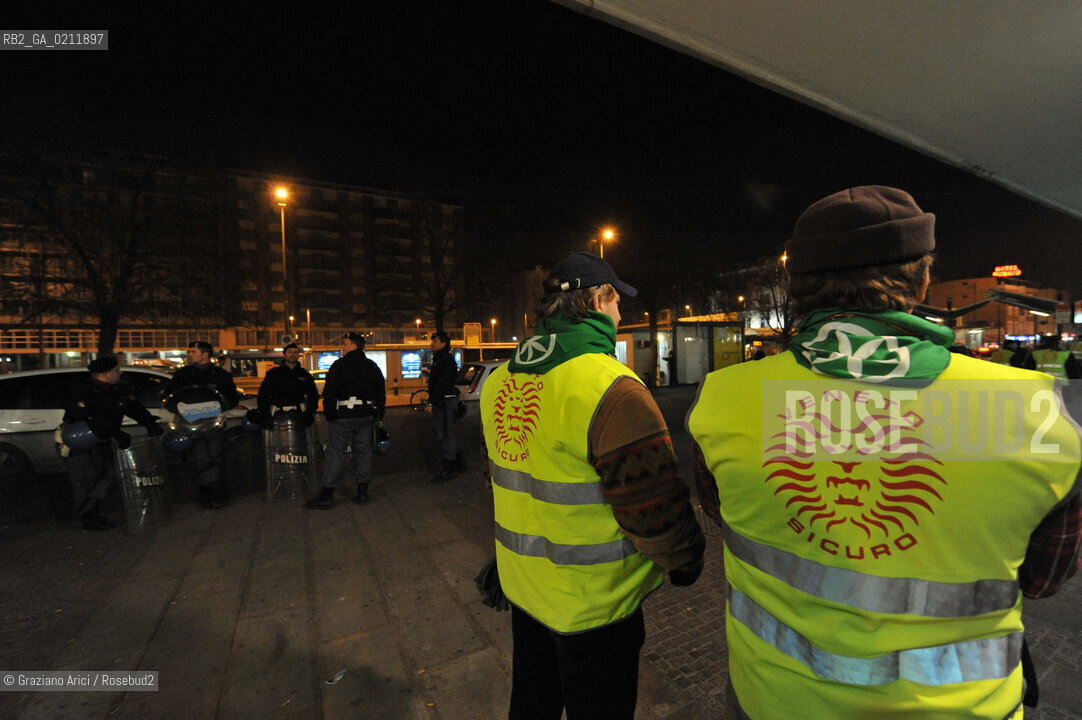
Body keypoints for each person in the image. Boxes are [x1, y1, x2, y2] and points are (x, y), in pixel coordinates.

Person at [687, 186, 1082, 719]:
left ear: (797, 288)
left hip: (774, 700)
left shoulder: (722, 398)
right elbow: (1042, 580)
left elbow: (722, 512)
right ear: (922, 281)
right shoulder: (1040, 414)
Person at [480, 251, 706, 720]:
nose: (623, 313)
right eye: (619, 301)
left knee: (531, 706)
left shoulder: (501, 379)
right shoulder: (611, 387)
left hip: (525, 591)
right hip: (595, 609)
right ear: (601, 299)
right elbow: (653, 505)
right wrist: (685, 559)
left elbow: (502, 477)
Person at [64, 357, 163, 530]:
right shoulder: (82, 391)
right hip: (85, 442)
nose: (121, 372)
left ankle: (90, 507)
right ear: (106, 374)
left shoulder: (118, 389)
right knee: (86, 479)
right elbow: (87, 418)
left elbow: (134, 408)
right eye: (117, 370)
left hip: (106, 439)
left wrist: (151, 424)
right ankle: (90, 518)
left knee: (113, 473)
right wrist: (115, 432)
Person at [308, 332, 385, 508]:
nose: (342, 348)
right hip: (365, 415)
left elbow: (330, 393)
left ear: (353, 345)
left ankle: (327, 493)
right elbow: (380, 392)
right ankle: (362, 491)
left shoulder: (339, 366)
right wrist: (379, 415)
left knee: (336, 453)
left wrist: (331, 415)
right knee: (364, 452)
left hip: (343, 415)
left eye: (345, 344)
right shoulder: (372, 366)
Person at [163, 340, 239, 509]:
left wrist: (217, 407)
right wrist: (181, 409)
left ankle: (210, 492)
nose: (189, 354)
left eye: (193, 352)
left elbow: (232, 398)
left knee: (215, 455)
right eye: (189, 352)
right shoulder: (182, 374)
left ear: (205, 355)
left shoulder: (220, 375)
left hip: (213, 423)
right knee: (202, 457)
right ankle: (214, 492)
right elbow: (170, 397)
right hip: (191, 424)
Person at [256, 342, 319, 426]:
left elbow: (313, 395)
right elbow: (263, 395)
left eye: (295, 352)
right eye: (289, 352)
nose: (292, 354)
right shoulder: (274, 373)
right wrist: (266, 415)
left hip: (300, 416)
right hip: (277, 415)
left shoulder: (304, 374)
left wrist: (309, 413)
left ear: (298, 355)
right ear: (284, 354)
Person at [428, 331, 462, 482]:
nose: (431, 344)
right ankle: (457, 461)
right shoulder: (441, 359)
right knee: (447, 433)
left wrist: (433, 402)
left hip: (444, 401)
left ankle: (449, 467)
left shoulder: (444, 360)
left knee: (445, 434)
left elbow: (441, 384)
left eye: (434, 341)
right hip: (443, 400)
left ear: (443, 343)